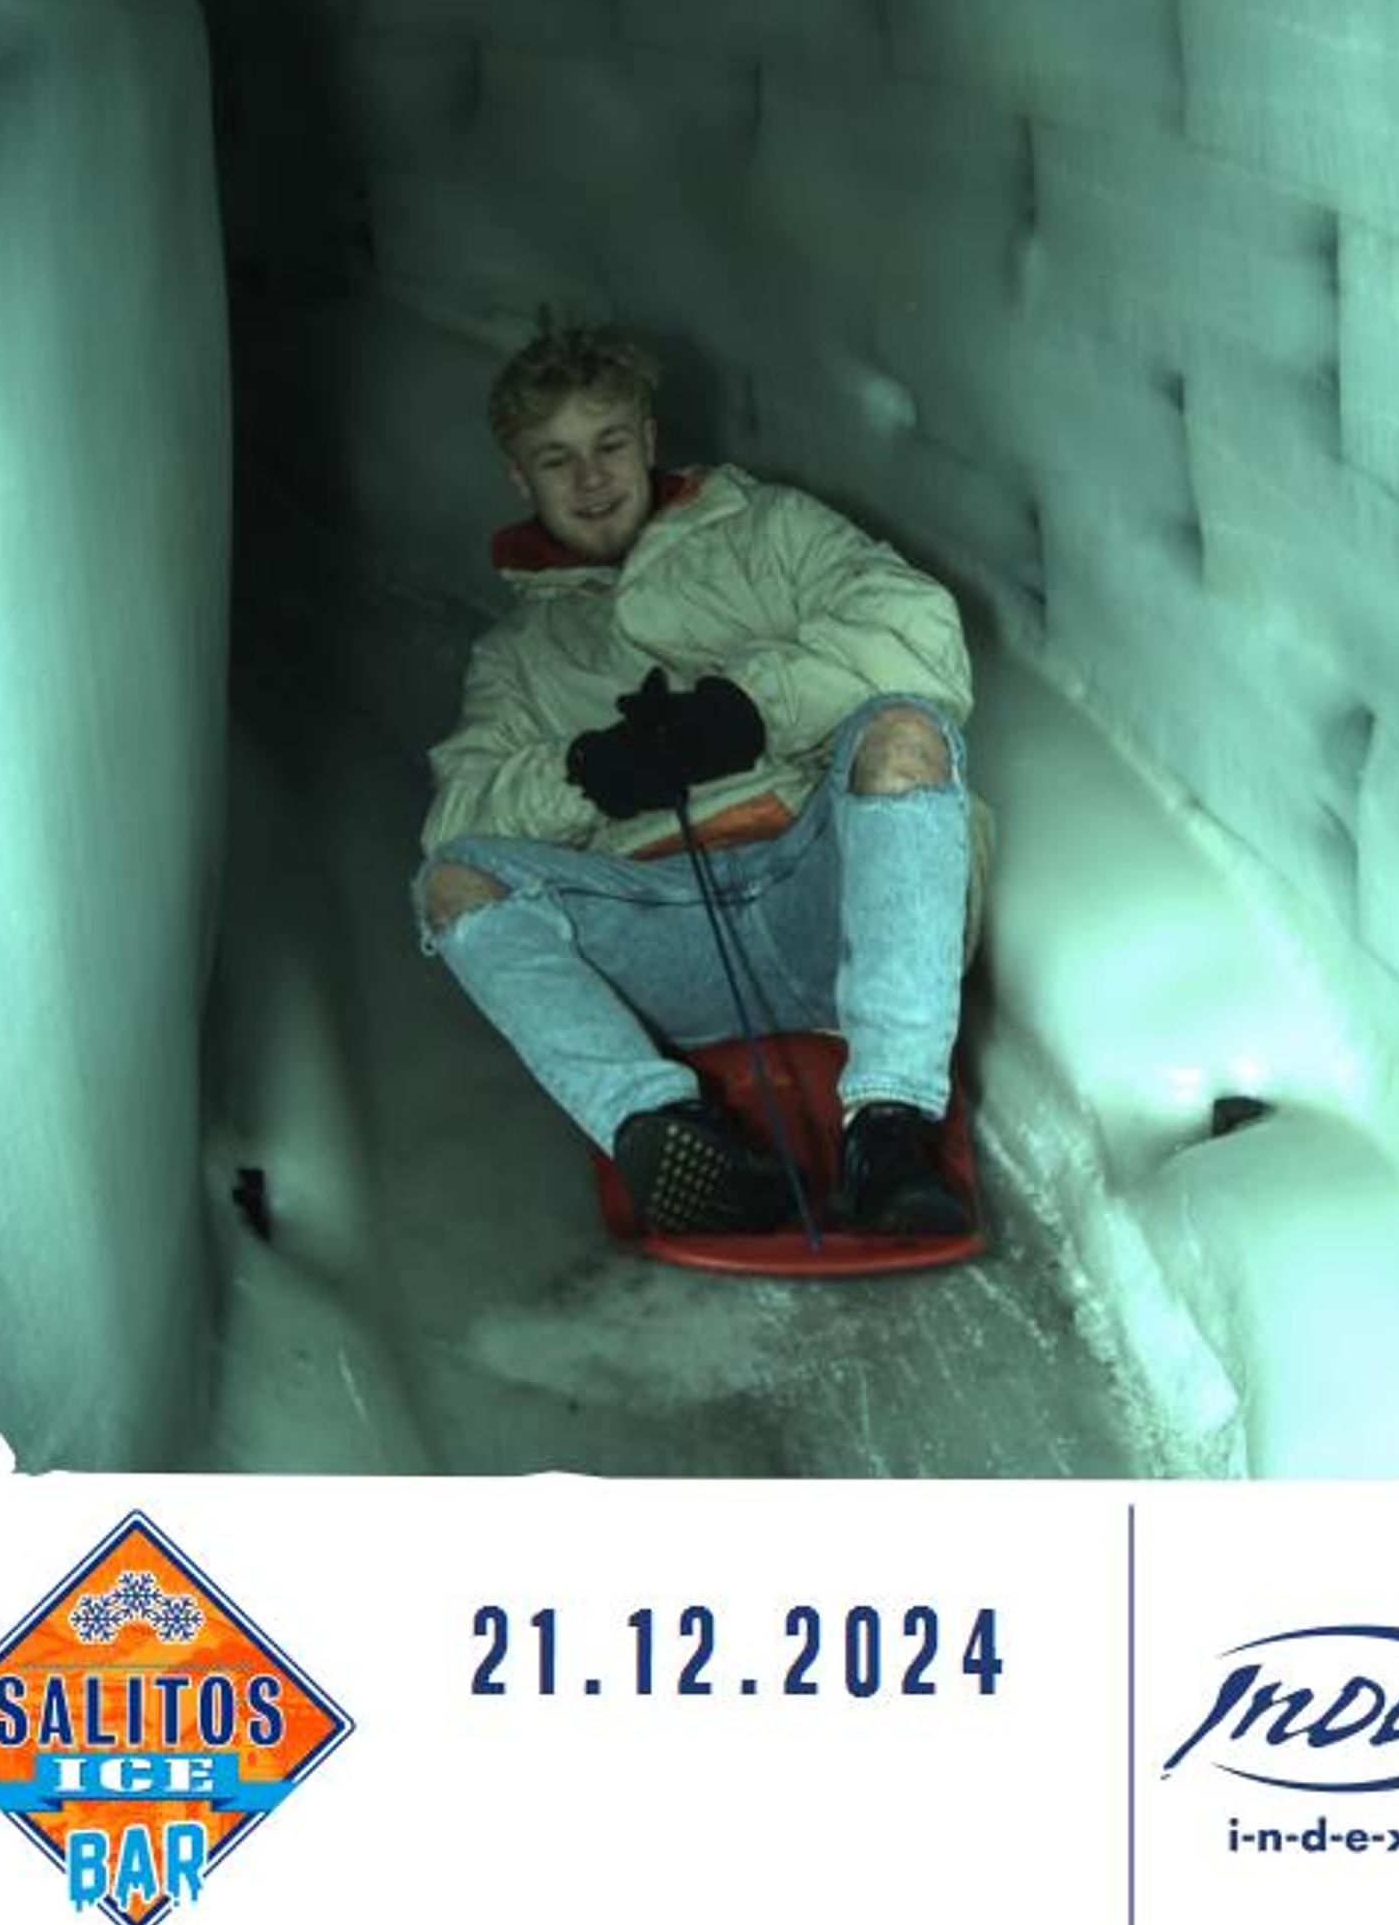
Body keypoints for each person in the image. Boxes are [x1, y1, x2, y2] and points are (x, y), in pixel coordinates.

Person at [414, 324, 985, 1239]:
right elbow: (458, 814)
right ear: (520, 480)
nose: (591, 478)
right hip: (659, 929)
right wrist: (586, 774)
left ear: (648, 438)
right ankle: (670, 1136)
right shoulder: (518, 654)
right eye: (557, 460)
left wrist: (747, 710)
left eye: (609, 444)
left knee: (907, 733)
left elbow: (920, 630)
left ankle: (891, 1132)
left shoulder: (768, 530)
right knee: (452, 882)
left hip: (821, 894)